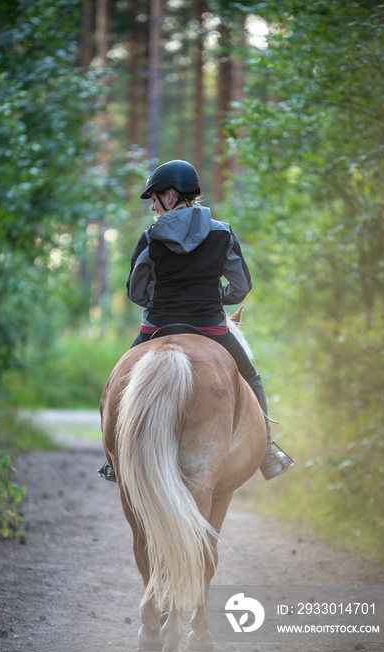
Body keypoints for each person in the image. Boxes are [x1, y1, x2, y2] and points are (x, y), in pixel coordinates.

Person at [99, 159, 294, 482]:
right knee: (252, 378)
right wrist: (217, 297)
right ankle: (268, 452)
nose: (153, 208)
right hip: (211, 329)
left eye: (155, 199)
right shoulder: (222, 233)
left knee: (116, 385)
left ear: (171, 197)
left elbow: (135, 290)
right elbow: (241, 286)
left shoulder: (150, 238)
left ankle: (114, 456)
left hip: (156, 328)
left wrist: (158, 301)